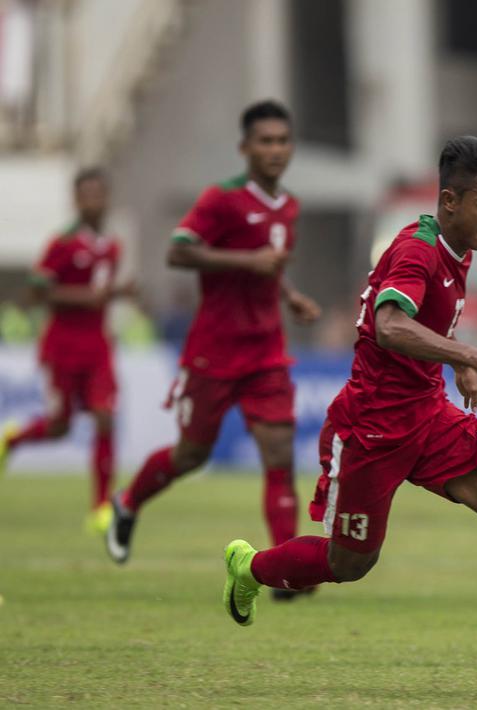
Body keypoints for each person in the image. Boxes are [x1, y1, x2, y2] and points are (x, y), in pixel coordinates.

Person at [218, 136, 477, 694]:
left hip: (426, 412)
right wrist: (473, 355)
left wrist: (459, 368)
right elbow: (390, 326)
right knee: (350, 563)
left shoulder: (457, 249)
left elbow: (426, 326)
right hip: (374, 425)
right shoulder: (417, 251)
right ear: (450, 200)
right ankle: (251, 568)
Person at [106, 101, 321, 586]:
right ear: (245, 147)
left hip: (266, 349)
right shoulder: (221, 199)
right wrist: (248, 262)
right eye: (265, 141)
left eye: (282, 141)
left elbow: (271, 264)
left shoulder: (289, 205)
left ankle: (283, 569)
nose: (275, 149)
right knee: (192, 455)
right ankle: (128, 501)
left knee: (280, 456)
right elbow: (178, 251)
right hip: (214, 350)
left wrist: (290, 296)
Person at [0, 168, 134, 533]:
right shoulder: (62, 244)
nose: (94, 202)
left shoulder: (113, 246)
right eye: (86, 195)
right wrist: (85, 297)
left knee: (105, 416)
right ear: (75, 200)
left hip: (98, 347)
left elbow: (100, 293)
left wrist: (119, 294)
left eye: (99, 194)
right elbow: (35, 291)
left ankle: (101, 506)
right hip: (63, 346)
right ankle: (11, 440)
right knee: (60, 426)